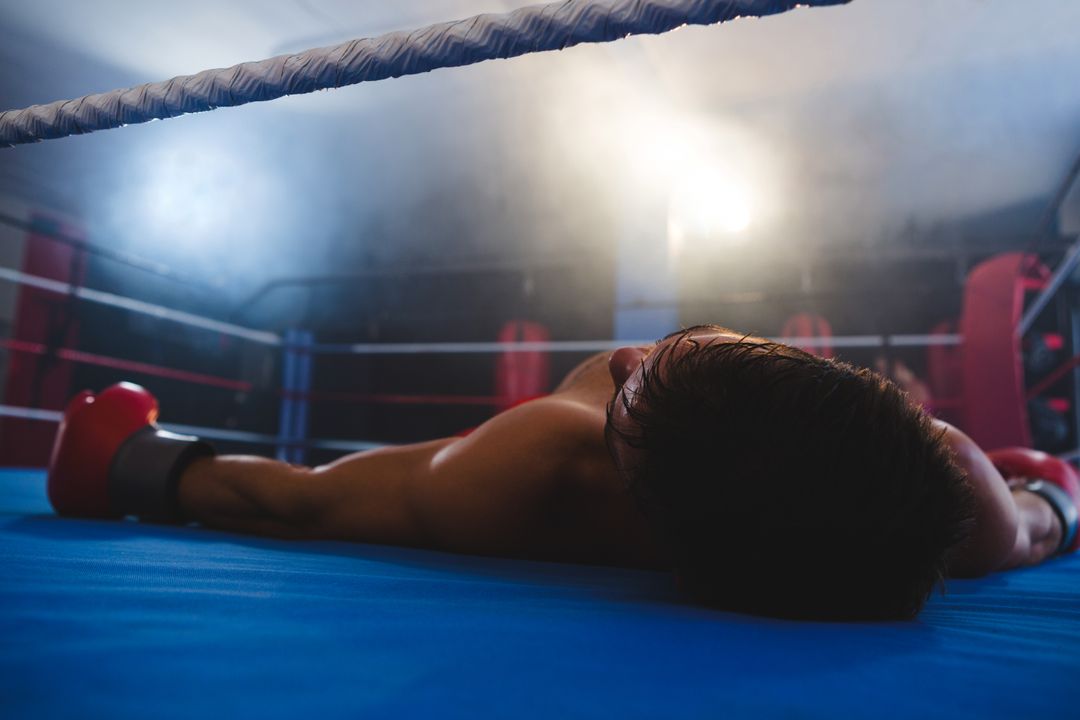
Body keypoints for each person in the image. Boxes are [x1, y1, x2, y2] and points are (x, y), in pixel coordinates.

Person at [46, 325, 1079, 621]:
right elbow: (1049, 510)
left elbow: (308, 505)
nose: (622, 354)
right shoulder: (949, 484)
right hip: (764, 429)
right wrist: (1052, 489)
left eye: (635, 390)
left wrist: (128, 463)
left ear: (643, 500)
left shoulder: (544, 465)